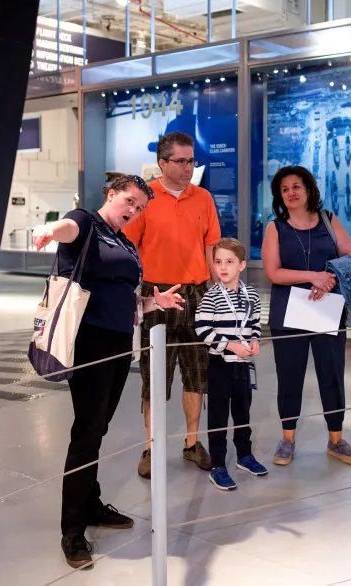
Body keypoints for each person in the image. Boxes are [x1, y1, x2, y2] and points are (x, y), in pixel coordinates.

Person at [32, 174, 185, 571]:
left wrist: (155, 302)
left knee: (97, 427)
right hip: (90, 343)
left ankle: (92, 503)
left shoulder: (125, 242)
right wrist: (49, 229)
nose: (132, 210)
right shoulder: (85, 222)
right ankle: (72, 529)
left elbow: (126, 301)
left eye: (140, 207)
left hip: (119, 344)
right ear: (112, 194)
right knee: (86, 431)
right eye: (129, 201)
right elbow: (66, 229)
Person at [123, 131, 221, 478]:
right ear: (162, 163)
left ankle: (192, 442)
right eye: (180, 161)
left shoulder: (204, 199)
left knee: (196, 374)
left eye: (191, 160)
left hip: (198, 295)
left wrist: (220, 293)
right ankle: (151, 446)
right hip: (157, 295)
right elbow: (128, 246)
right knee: (154, 377)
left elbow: (211, 248)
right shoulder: (146, 200)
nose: (188, 167)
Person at [261, 166, 351, 467]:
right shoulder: (274, 228)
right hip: (288, 313)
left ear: (308, 190)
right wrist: (313, 276)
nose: (291, 193)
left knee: (331, 374)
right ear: (280, 197)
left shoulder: (329, 221)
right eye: (285, 189)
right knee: (289, 376)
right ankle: (287, 439)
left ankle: (336, 440)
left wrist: (329, 279)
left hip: (327, 309)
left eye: (296, 186)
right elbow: (274, 272)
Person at [195, 237, 268, 491]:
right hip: (219, 366)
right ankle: (217, 465)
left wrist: (255, 341)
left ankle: (244, 456)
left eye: (229, 262)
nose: (223, 267)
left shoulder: (252, 296)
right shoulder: (211, 297)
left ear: (242, 265)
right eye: (217, 262)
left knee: (242, 411)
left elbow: (255, 324)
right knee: (218, 415)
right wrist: (229, 344)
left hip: (243, 365)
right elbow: (202, 330)